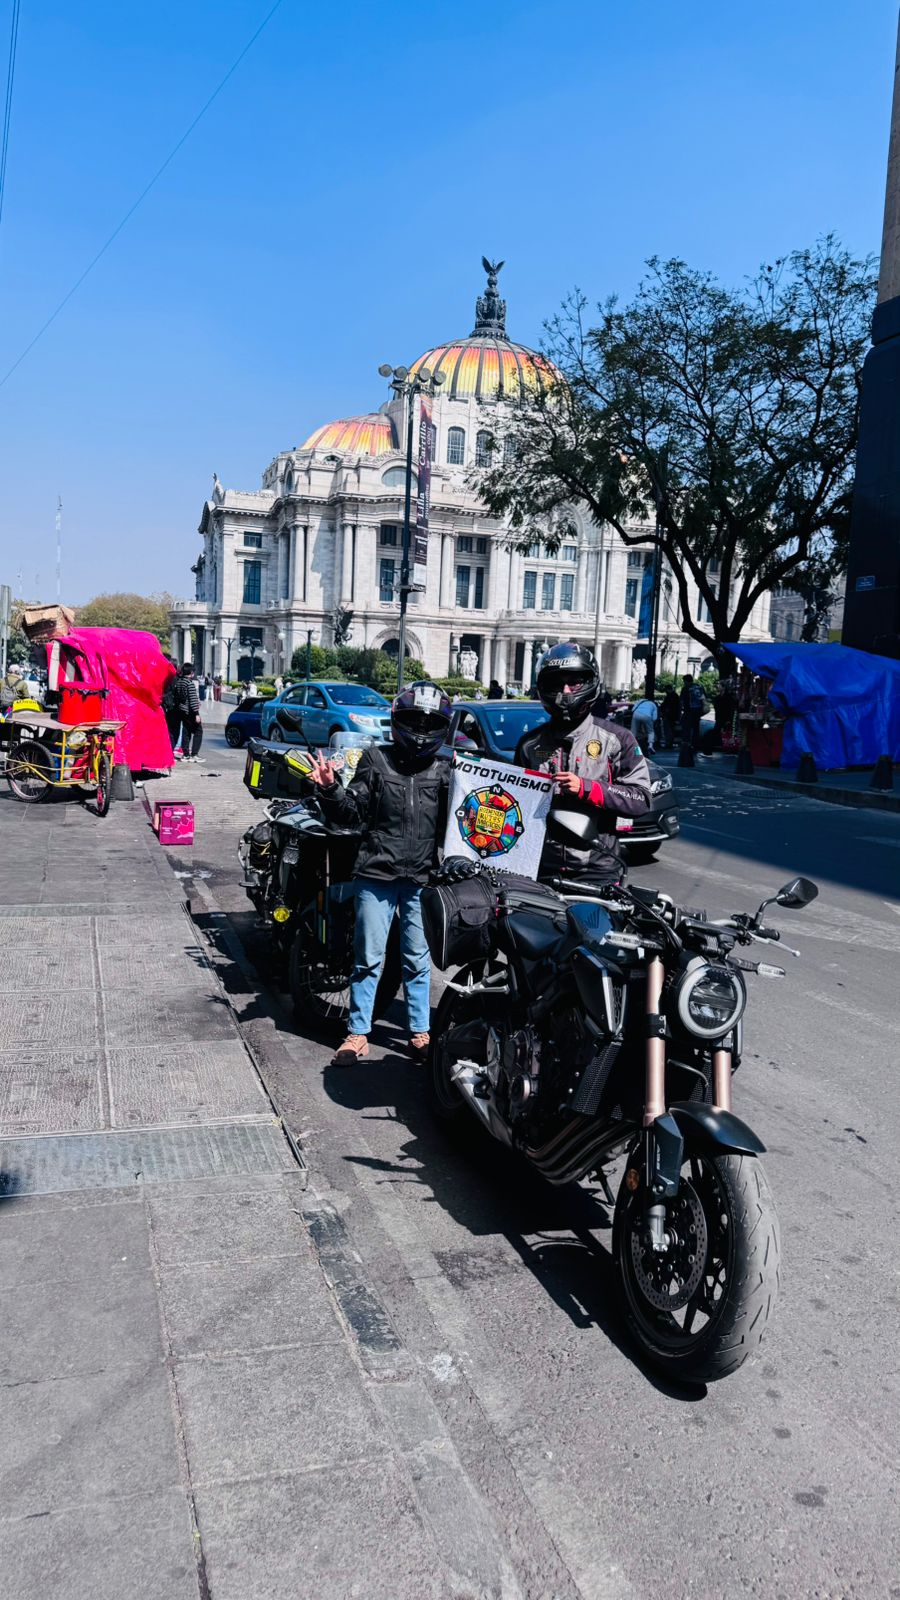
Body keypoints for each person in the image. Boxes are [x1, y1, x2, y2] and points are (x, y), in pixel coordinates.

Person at [306, 681, 452, 1066]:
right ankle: (357, 1033)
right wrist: (331, 789)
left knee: (416, 960)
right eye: (414, 720)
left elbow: (464, 821)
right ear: (397, 720)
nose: (420, 730)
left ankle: (420, 1032)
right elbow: (351, 812)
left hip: (422, 877)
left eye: (430, 723)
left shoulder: (446, 769)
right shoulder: (376, 760)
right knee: (368, 958)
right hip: (377, 873)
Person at [514, 643, 651, 888]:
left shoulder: (617, 739)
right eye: (557, 684)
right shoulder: (529, 745)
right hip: (540, 868)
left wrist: (588, 789)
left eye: (574, 683)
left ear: (590, 683)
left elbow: (640, 799)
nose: (565, 691)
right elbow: (514, 804)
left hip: (597, 871)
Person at [175, 663, 205, 763]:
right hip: (191, 711)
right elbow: (192, 700)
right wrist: (196, 714)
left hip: (182, 710)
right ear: (191, 672)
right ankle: (194, 754)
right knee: (198, 731)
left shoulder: (179, 682)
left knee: (186, 732)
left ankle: (186, 754)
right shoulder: (189, 683)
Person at [630, 687, 659, 754]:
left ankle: (633, 747)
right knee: (650, 732)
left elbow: (632, 710)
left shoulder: (640, 701)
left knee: (633, 732)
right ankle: (650, 746)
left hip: (636, 714)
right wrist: (650, 723)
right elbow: (654, 718)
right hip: (647, 716)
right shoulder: (653, 704)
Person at [679, 674, 705, 750]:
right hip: (697, 712)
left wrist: (680, 712)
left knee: (686, 728)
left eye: (684, 681)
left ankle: (686, 744)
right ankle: (695, 744)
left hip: (688, 711)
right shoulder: (699, 687)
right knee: (696, 728)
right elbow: (703, 699)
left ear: (686, 681)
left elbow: (681, 701)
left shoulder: (685, 688)